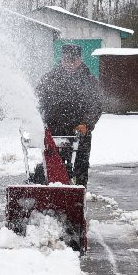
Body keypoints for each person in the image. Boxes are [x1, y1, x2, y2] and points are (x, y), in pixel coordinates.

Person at [35, 43, 103, 185]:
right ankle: (49, 191)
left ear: (80, 60)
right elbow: (38, 100)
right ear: (62, 59)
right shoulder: (50, 79)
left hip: (79, 131)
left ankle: (79, 195)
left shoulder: (89, 81)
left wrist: (86, 124)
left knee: (80, 166)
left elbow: (96, 105)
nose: (70, 63)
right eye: (67, 60)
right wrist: (41, 120)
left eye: (73, 60)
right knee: (52, 163)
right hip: (55, 131)